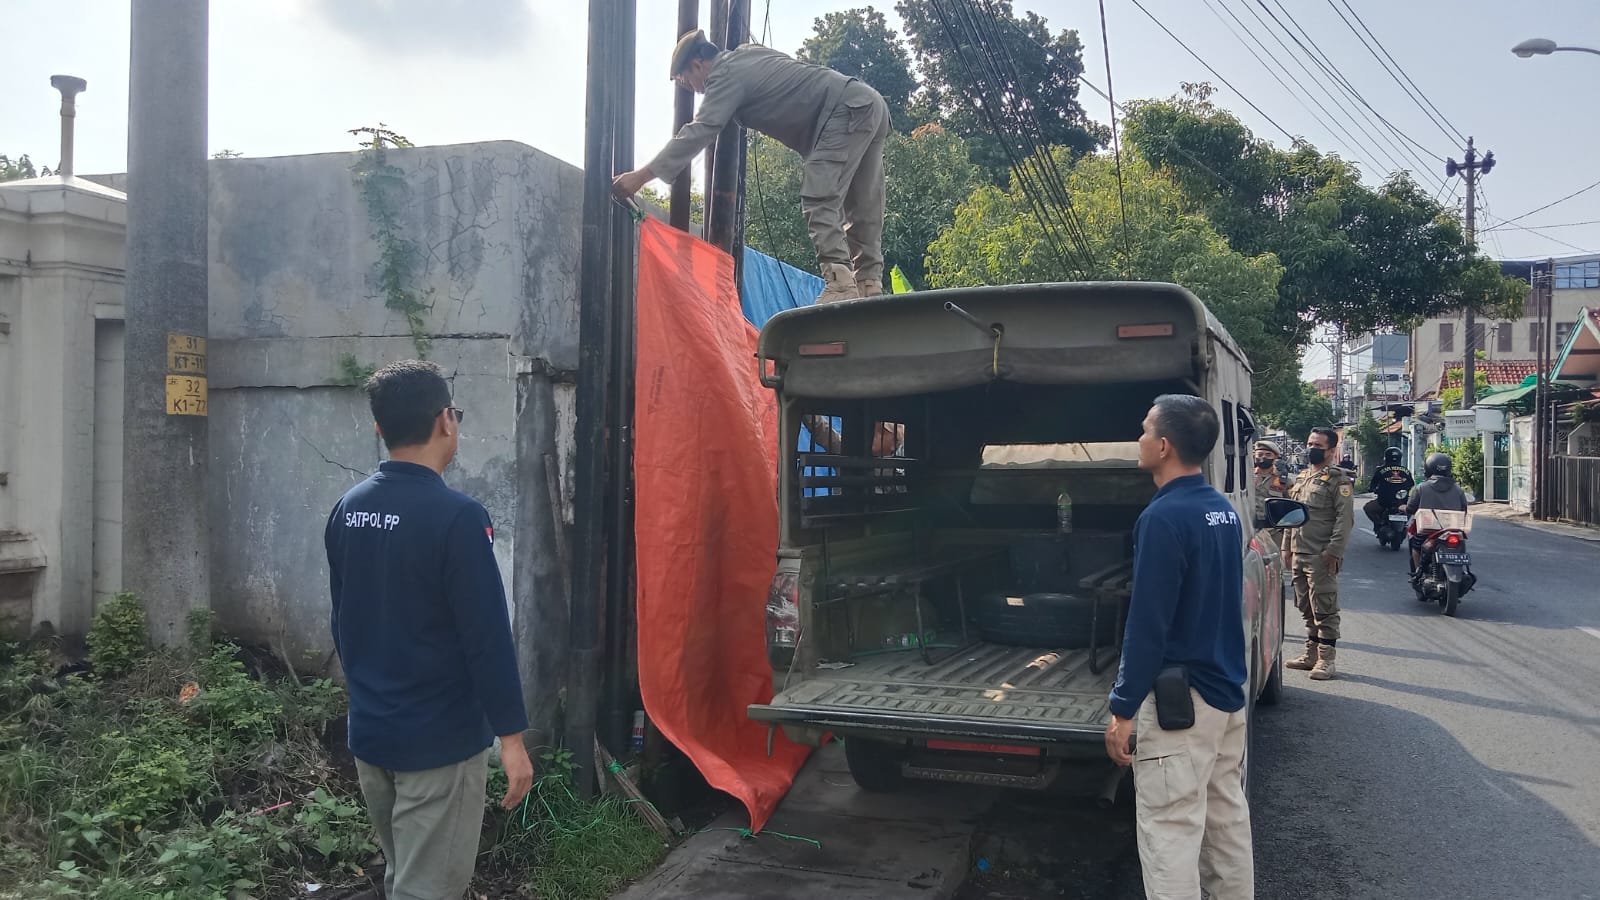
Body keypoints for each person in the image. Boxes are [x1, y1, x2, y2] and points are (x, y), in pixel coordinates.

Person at [325, 360, 534, 900]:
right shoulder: (458, 518)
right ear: (446, 421)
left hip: (373, 735)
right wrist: (511, 738)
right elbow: (485, 637)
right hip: (438, 743)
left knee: (404, 877)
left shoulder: (348, 509)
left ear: (380, 429)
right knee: (427, 889)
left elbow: (343, 623)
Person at [612, 30, 890, 304]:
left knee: (819, 195)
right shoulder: (748, 53)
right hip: (869, 103)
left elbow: (700, 130)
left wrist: (640, 177)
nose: (694, 90)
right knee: (862, 204)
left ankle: (840, 283)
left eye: (686, 81)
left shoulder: (724, 74)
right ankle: (869, 284)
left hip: (842, 112)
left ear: (698, 64)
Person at [1106, 394, 1253, 900]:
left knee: (1170, 829)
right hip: (1225, 694)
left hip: (1181, 706)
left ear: (1164, 446)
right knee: (1225, 821)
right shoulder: (1221, 511)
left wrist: (1123, 709)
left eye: (1145, 430)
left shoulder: (1163, 518)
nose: (1140, 439)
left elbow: (1148, 625)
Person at [1281, 426, 1354, 680]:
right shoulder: (1301, 478)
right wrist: (1287, 546)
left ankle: (1326, 659)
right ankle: (1310, 653)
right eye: (1310, 443)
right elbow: (1292, 515)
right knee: (1305, 605)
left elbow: (1344, 520)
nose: (1312, 449)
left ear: (1332, 451)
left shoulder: (1339, 480)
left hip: (1321, 554)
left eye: (1318, 446)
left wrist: (1333, 551)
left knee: (1324, 606)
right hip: (1299, 551)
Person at [1406, 452, 1470, 576]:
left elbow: (1411, 508)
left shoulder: (1421, 488)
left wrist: (1407, 509)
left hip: (1428, 529)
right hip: (1453, 528)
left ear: (1428, 468)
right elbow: (1464, 509)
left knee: (1415, 546)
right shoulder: (1458, 489)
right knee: (1461, 545)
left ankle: (1419, 572)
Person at [1363, 446, 1416, 529]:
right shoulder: (1406, 471)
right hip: (1402, 502)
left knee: (1368, 508)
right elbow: (1412, 484)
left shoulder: (1380, 470)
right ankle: (1404, 525)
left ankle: (1380, 523)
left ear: (1386, 457)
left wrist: (1372, 489)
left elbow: (1373, 484)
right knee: (1409, 510)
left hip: (1384, 502)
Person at [1252, 439, 1288, 525]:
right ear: (1254, 456)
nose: (1263, 457)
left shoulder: (1284, 480)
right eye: (1260, 454)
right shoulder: (1245, 477)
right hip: (1250, 527)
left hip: (1274, 530)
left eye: (1268, 455)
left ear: (1275, 457)